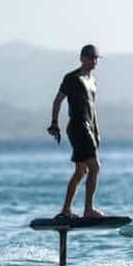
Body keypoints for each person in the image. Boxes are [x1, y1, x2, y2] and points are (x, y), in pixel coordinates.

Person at [47, 44, 105, 219]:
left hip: (88, 127)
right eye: (90, 57)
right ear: (82, 58)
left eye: (95, 58)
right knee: (95, 167)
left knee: (81, 171)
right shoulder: (72, 78)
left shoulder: (93, 81)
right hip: (78, 127)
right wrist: (54, 123)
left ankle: (66, 210)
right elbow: (57, 101)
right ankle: (88, 210)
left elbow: (93, 108)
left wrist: (97, 131)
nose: (93, 61)